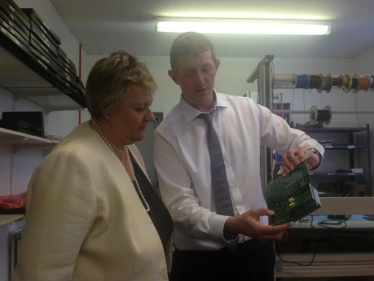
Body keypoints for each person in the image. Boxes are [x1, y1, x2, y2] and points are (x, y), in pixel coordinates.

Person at [154, 32, 325, 281]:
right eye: (189, 72)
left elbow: (298, 139)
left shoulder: (247, 110)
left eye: (206, 68)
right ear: (174, 76)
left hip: (256, 255)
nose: (201, 80)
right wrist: (231, 225)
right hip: (200, 264)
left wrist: (309, 155)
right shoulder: (166, 134)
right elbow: (180, 209)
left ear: (217, 65)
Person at [13, 50, 173, 281]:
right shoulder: (72, 163)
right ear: (107, 109)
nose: (150, 116)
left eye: (150, 105)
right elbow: (41, 273)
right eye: (140, 108)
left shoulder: (129, 149)